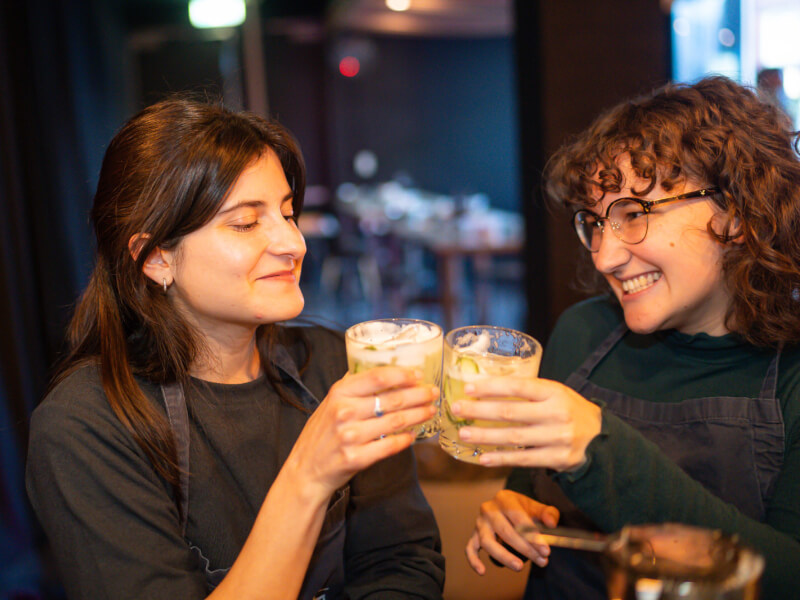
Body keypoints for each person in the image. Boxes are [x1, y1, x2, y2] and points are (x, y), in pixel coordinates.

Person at [25, 98, 445, 600]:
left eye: (288, 213)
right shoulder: (85, 427)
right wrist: (309, 476)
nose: (293, 243)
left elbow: (404, 561)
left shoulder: (338, 365)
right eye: (246, 223)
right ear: (156, 258)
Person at [455, 76, 800, 598]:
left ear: (737, 213)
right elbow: (526, 493)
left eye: (633, 214)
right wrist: (512, 510)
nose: (604, 255)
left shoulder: (792, 375)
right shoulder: (582, 332)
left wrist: (598, 452)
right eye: (594, 221)